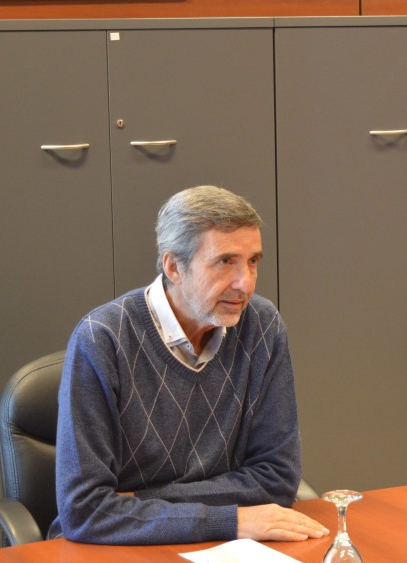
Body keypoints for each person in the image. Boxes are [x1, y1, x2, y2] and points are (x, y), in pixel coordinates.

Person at [50, 185, 328, 544]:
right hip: (115, 548)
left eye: (253, 261)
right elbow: (85, 511)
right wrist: (230, 520)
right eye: (226, 261)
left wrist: (144, 501)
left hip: (222, 546)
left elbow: (277, 478)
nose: (245, 283)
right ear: (174, 267)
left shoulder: (262, 324)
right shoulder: (103, 338)